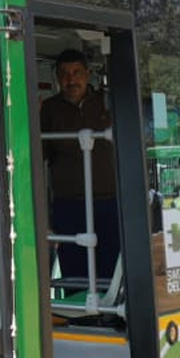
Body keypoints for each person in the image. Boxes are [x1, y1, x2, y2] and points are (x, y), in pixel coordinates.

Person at [40, 48, 119, 284]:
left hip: (109, 203)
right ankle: (78, 318)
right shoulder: (48, 110)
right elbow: (37, 159)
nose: (71, 80)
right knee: (74, 271)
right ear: (56, 77)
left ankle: (110, 320)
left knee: (111, 269)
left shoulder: (107, 104)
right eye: (64, 74)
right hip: (68, 207)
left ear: (88, 74)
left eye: (76, 73)